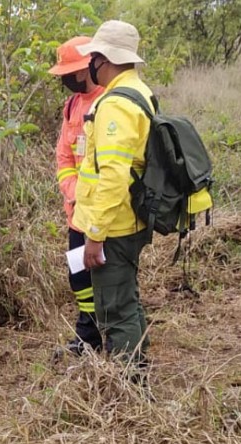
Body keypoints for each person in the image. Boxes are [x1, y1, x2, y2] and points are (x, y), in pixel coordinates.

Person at [72, 21, 154, 376]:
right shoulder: (138, 92)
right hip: (129, 220)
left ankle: (129, 386)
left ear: (103, 59)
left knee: (115, 309)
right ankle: (138, 368)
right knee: (127, 301)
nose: (90, 65)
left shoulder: (116, 105)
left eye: (93, 57)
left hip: (115, 225)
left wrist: (95, 233)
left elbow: (114, 176)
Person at [48, 36, 105, 358]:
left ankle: (118, 339)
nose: (67, 80)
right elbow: (63, 157)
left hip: (108, 214)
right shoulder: (72, 106)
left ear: (89, 67)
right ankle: (87, 336)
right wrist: (73, 192)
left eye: (71, 73)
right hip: (77, 214)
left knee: (111, 280)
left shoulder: (110, 101)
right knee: (80, 278)